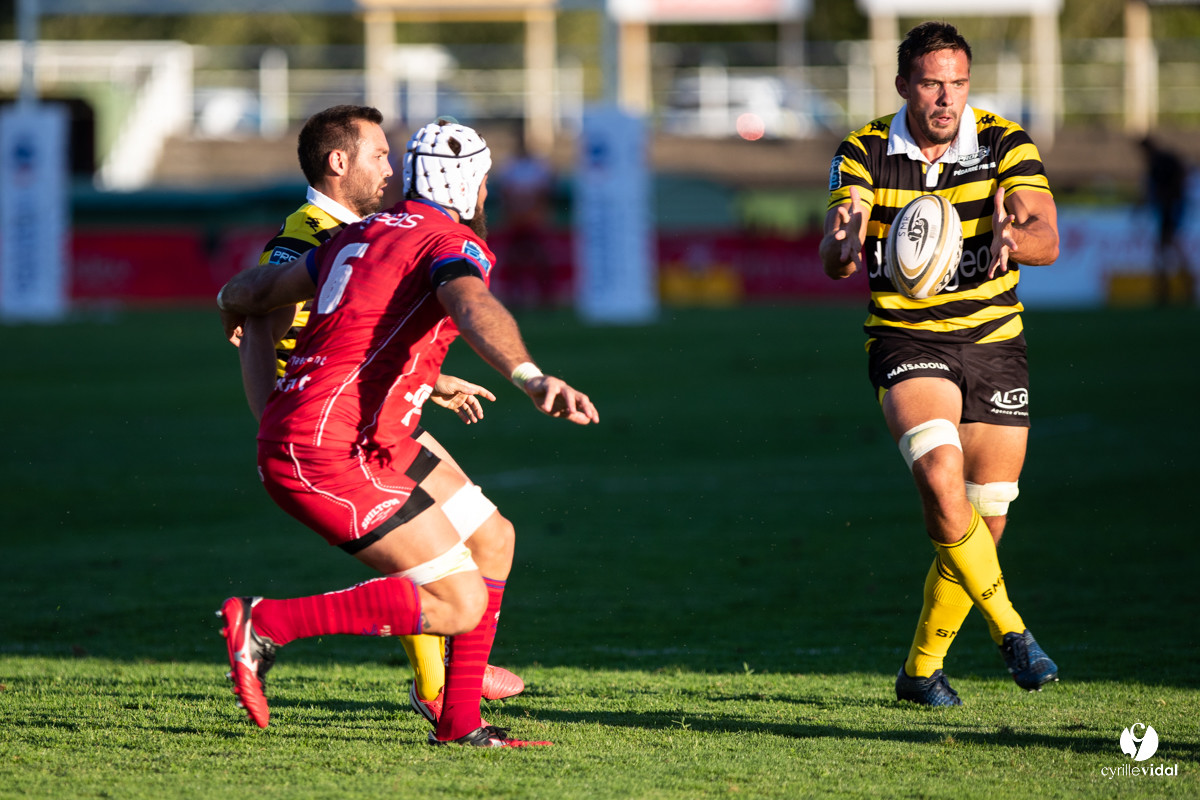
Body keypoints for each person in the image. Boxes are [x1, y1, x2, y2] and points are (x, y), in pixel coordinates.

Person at [217, 117, 595, 746]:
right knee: (458, 602)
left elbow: (258, 289)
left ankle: (459, 721)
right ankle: (266, 625)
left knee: (493, 539)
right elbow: (472, 305)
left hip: (374, 434)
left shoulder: (359, 233)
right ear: (473, 184)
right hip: (330, 446)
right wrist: (530, 376)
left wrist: (231, 301)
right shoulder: (450, 244)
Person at [819, 21, 1060, 706]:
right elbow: (836, 248)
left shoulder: (1004, 140)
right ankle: (1013, 632)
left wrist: (1020, 236)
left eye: (957, 82)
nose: (946, 98)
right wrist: (846, 242)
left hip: (993, 343)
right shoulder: (864, 150)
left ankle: (920, 673)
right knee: (939, 473)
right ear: (904, 86)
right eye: (931, 83)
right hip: (906, 340)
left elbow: (1047, 232)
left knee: (984, 518)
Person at [1137, 136, 1193, 305]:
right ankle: (1174, 287)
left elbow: (1151, 190)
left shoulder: (1158, 162)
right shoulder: (1165, 159)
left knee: (1167, 246)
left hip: (1170, 207)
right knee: (1167, 247)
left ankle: (1173, 287)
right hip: (1171, 206)